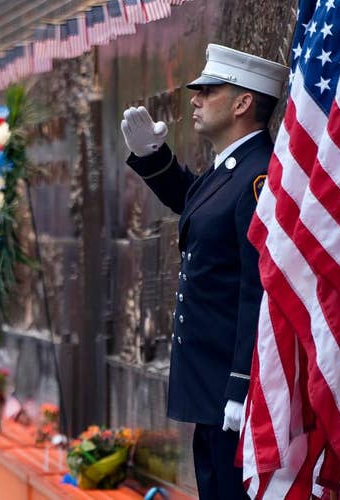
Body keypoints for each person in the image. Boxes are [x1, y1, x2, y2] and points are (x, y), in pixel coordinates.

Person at [121, 44, 287, 499]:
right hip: (209, 386)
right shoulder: (230, 171)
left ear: (242, 103)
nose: (195, 99)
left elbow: (257, 290)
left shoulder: (257, 177)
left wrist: (241, 384)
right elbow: (198, 205)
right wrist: (154, 157)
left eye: (208, 91)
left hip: (230, 388)